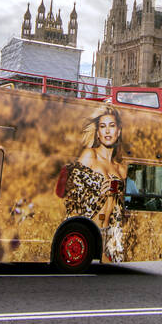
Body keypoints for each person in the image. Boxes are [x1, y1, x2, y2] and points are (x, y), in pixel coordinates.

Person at [61, 104, 129, 262]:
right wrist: (99, 195)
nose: (107, 131)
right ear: (97, 133)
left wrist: (118, 193)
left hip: (112, 234)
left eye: (112, 126)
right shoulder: (89, 156)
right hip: (89, 228)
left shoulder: (121, 168)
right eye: (102, 126)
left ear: (118, 131)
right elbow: (71, 197)